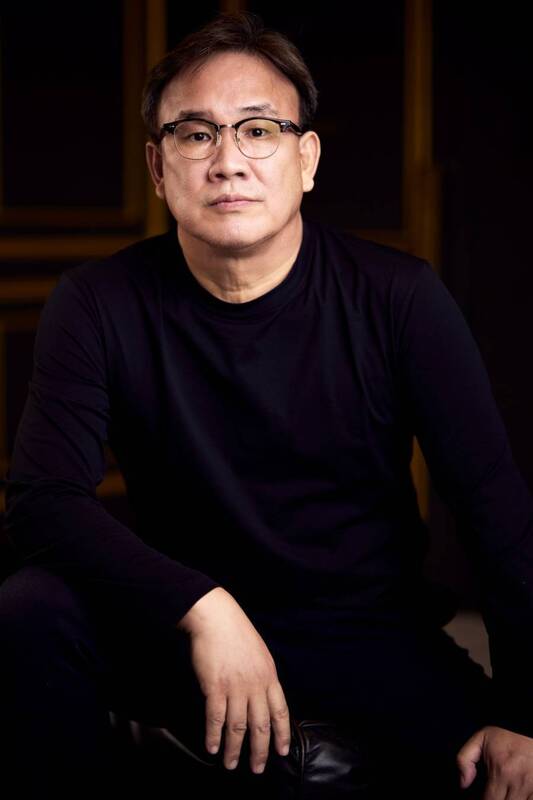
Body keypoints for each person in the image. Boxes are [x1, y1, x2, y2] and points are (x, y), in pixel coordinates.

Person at [2, 10, 533, 799]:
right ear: (157, 166)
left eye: (258, 131)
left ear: (305, 158)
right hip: (184, 631)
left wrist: (525, 713)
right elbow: (44, 502)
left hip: (366, 636)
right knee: (30, 608)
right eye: (195, 135)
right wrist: (203, 605)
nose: (227, 162)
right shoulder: (99, 302)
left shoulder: (398, 298)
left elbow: (496, 511)